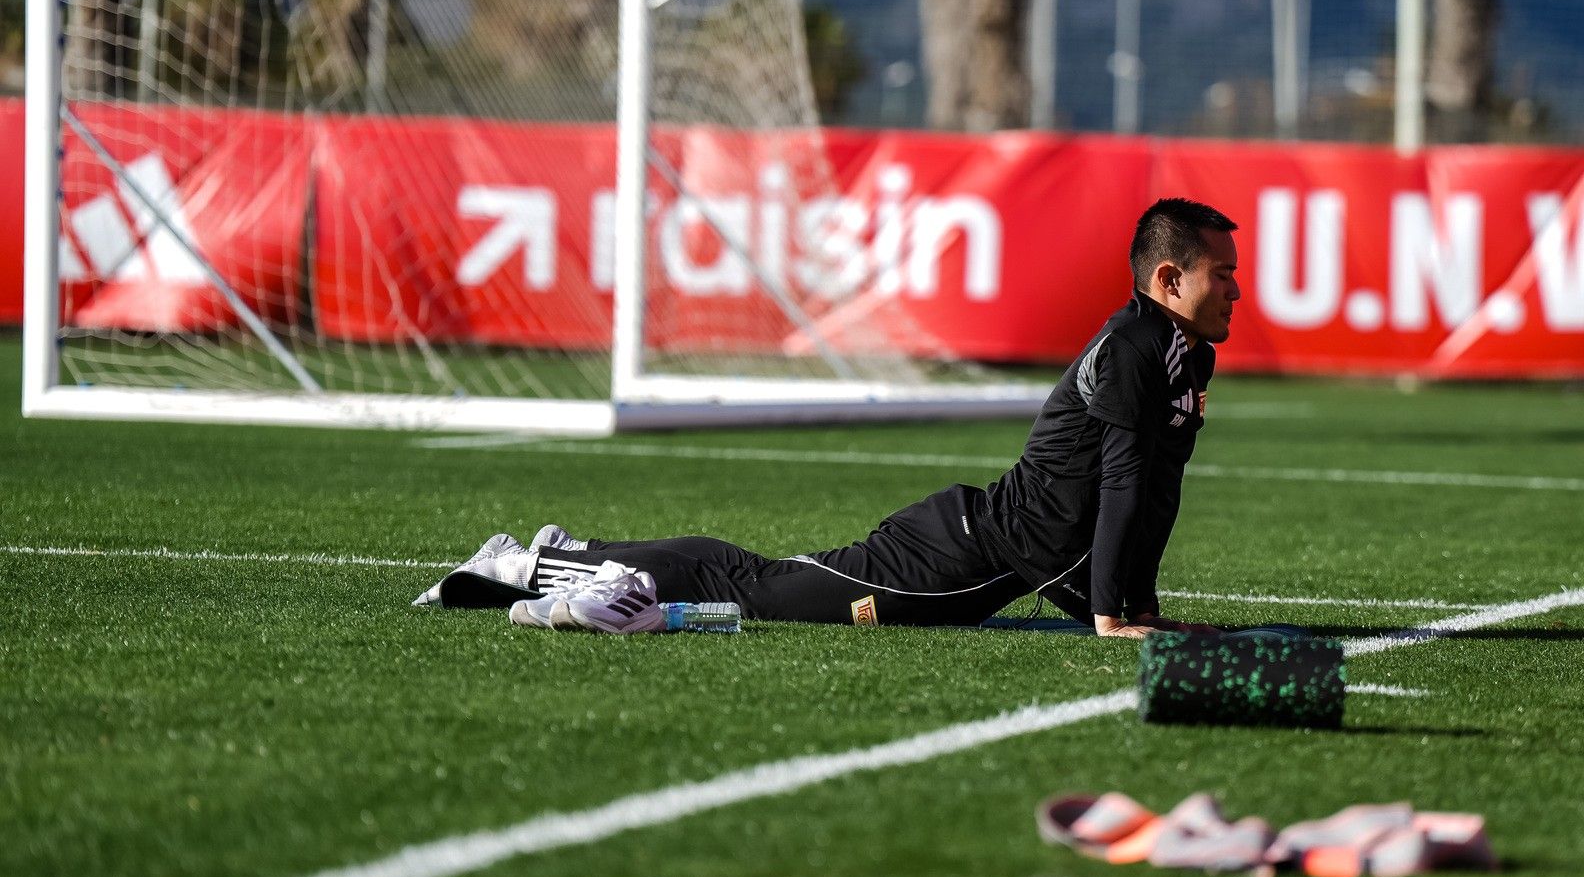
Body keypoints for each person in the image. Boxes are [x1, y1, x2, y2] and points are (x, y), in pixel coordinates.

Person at [417, 198, 1240, 638]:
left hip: (995, 558)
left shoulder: (1182, 353)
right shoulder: (1137, 346)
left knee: (755, 580)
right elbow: (1125, 486)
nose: (1236, 288)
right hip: (950, 555)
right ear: (1168, 279)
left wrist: (1139, 606)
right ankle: (539, 564)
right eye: (1221, 274)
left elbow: (1150, 490)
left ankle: (566, 558)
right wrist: (1110, 617)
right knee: (755, 589)